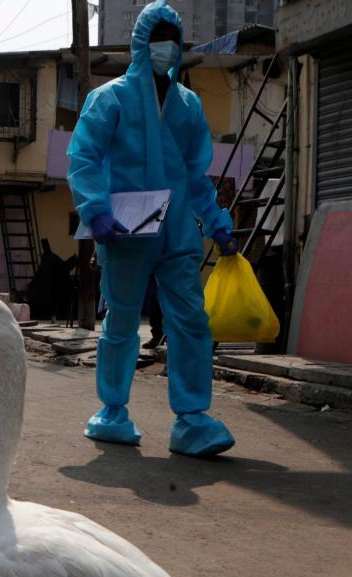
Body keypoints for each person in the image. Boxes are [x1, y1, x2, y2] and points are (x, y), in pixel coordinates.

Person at [66, 0, 239, 457]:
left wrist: (218, 223)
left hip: (178, 231)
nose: (167, 47)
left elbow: (195, 174)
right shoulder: (110, 98)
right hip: (125, 230)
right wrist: (94, 208)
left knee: (191, 321)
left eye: (173, 39)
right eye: (159, 37)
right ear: (143, 44)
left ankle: (192, 419)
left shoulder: (187, 106)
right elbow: (84, 158)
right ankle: (113, 411)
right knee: (122, 321)